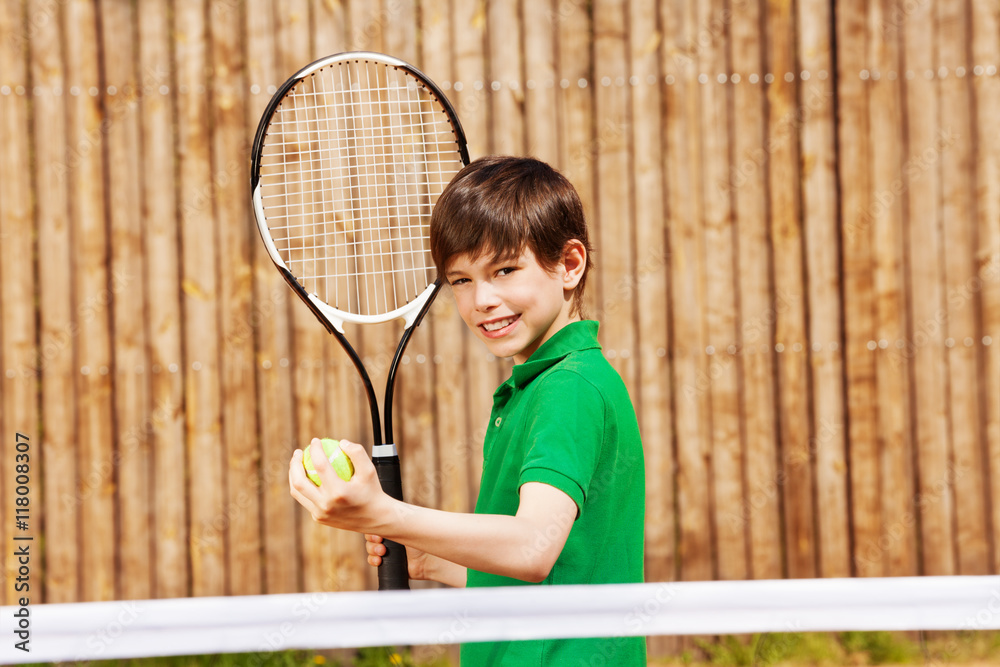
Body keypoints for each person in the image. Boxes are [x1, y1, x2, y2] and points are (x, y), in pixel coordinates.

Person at [288, 155, 646, 665]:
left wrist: (386, 513)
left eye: (505, 270)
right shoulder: (542, 386)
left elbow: (530, 548)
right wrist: (431, 559)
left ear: (569, 264)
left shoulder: (569, 389)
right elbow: (552, 572)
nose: (482, 299)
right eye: (460, 280)